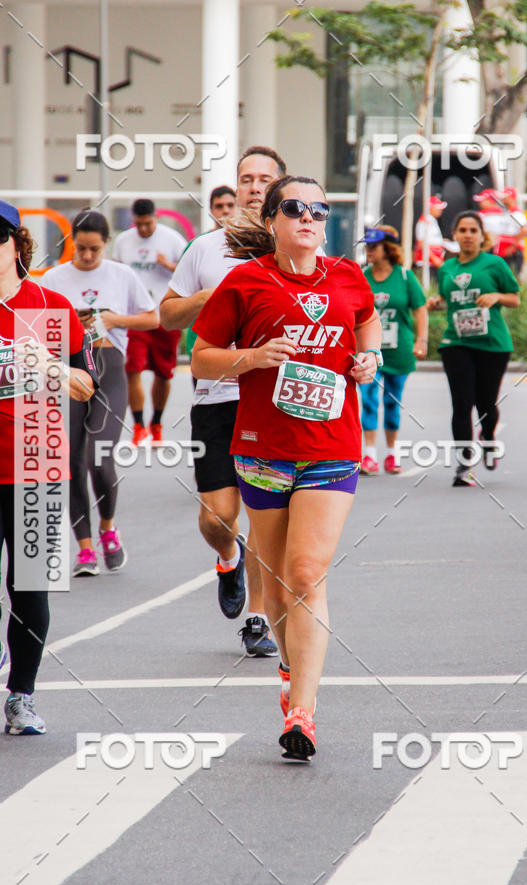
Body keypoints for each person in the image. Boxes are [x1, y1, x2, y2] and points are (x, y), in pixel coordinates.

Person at [191, 174, 381, 760]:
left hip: (331, 448)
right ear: (272, 219)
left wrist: (369, 355)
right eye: (295, 209)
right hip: (262, 449)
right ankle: (289, 672)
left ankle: (303, 712)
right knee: (273, 589)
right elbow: (200, 360)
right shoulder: (246, 281)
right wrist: (251, 357)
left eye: (319, 210)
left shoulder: (348, 276)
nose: (309, 218)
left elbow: (366, 321)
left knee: (304, 574)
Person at [160, 147, 288, 658]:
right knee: (218, 517)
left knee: (263, 510)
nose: (255, 187)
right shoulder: (206, 247)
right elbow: (168, 316)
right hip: (216, 397)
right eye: (246, 178)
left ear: (281, 187)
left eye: (265, 179)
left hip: (273, 398)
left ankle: (257, 615)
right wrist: (208, 298)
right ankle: (227, 555)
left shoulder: (297, 248)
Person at [0, 201, 95, 734]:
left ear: (17, 244)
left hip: (35, 463)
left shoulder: (49, 306)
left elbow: (87, 386)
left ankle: (21, 697)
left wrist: (51, 366)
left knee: (30, 588)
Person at [41, 210, 158, 575]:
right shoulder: (55, 278)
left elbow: (153, 318)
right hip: (69, 370)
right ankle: (86, 548)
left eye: (94, 249)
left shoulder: (122, 275)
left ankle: (108, 528)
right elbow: (38, 328)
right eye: (81, 248)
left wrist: (113, 319)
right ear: (71, 243)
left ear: (106, 243)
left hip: (108, 369)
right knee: (71, 460)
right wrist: (70, 322)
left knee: (98, 455)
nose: (88, 256)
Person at [426, 211, 520, 486]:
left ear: (481, 236)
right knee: (461, 403)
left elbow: (514, 298)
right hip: (457, 341)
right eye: (462, 230)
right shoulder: (447, 268)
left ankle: (488, 437)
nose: (467, 235)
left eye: (472, 230)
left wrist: (496, 296)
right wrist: (436, 303)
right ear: (455, 235)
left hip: (492, 344)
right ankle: (464, 464)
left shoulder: (494, 264)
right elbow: (448, 299)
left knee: (486, 403)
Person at [112, 199, 187, 445]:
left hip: (166, 315)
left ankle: (156, 422)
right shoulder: (124, 240)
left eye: (148, 224)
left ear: (156, 218)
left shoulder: (173, 239)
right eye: (139, 224)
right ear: (134, 221)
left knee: (164, 373)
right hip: (136, 315)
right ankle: (138, 425)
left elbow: (189, 274)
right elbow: (117, 275)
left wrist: (168, 265)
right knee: (132, 369)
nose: (144, 229)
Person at [357, 225, 427, 475]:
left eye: (374, 247)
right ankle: (369, 455)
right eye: (367, 247)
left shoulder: (405, 277)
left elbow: (420, 309)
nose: (369, 251)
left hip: (399, 351)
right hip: (368, 351)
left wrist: (422, 340)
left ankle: (392, 454)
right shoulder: (362, 276)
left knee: (392, 401)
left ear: (388, 249)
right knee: (368, 400)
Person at [185, 185, 237, 378]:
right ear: (210, 210)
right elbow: (182, 293)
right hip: (202, 339)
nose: (225, 210)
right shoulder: (198, 245)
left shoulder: (253, 244)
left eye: (230, 205)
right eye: (219, 206)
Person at [494, 187, 527, 277]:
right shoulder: (509, 213)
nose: (502, 199)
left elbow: (525, 229)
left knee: (511, 276)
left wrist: (513, 246)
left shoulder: (516, 213)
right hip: (505, 251)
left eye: (504, 197)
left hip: (512, 252)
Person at [414, 195, 447, 278]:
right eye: (438, 207)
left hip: (434, 262)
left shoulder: (432, 220)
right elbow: (421, 242)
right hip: (427, 263)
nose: (440, 210)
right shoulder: (424, 221)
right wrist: (434, 258)